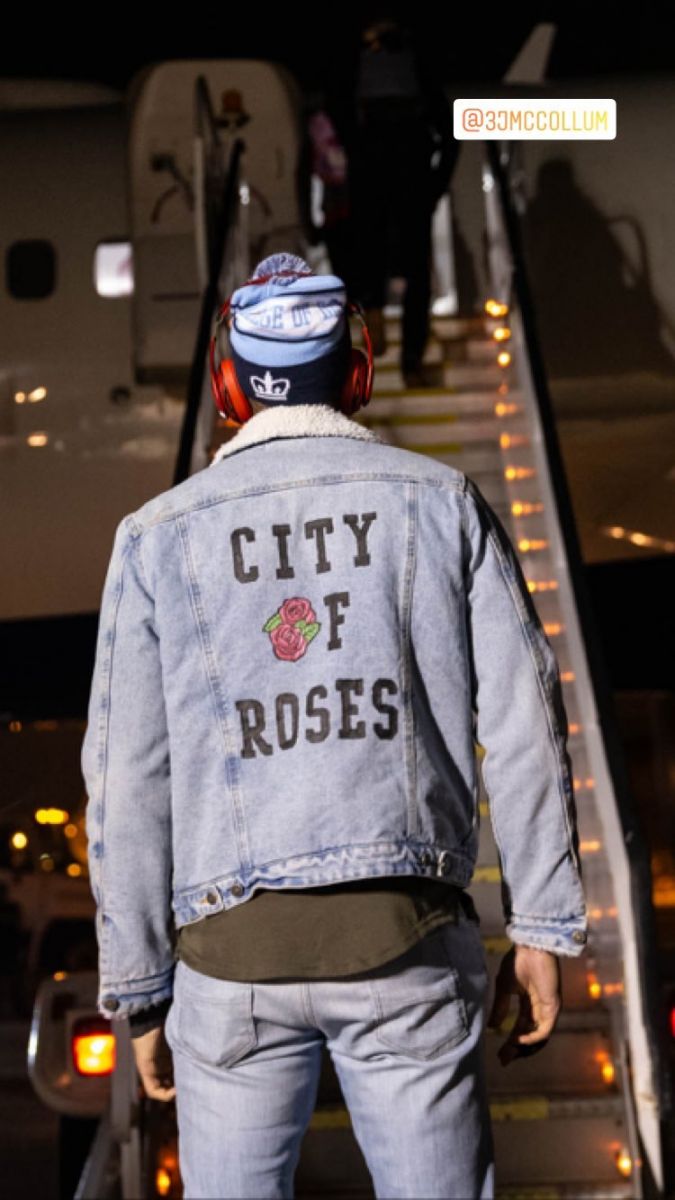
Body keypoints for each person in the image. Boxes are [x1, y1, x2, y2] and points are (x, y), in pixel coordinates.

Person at [82, 252, 587, 1199]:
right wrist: (541, 927)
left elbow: (127, 777)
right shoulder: (442, 502)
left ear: (229, 386)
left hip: (228, 964)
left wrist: (139, 988)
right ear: (356, 373)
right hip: (407, 940)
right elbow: (524, 721)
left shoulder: (155, 536)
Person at [344, 15, 460, 385]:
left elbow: (342, 130)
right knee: (415, 272)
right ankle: (410, 358)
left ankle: (375, 319)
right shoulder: (418, 75)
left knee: (371, 257)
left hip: (374, 181)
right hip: (411, 181)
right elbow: (450, 134)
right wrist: (436, 184)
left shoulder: (358, 77)